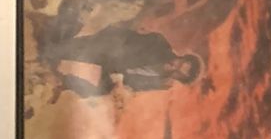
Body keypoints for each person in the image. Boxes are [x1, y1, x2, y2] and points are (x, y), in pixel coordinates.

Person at [42, 22, 202, 99]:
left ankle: (63, 81)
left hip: (115, 70)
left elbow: (133, 86)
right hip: (112, 46)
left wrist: (123, 90)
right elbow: (122, 52)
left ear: (178, 79)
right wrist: (118, 78)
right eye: (180, 63)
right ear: (181, 56)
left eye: (178, 73)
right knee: (55, 51)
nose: (174, 66)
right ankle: (51, 48)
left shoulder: (160, 83)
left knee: (101, 92)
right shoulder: (158, 43)